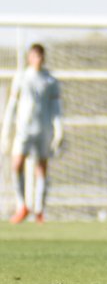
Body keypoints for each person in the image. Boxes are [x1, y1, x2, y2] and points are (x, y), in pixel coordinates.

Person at [1, 44, 64, 224]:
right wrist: (6, 130)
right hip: (23, 130)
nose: (37, 59)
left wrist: (59, 130)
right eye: (34, 55)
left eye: (40, 56)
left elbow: (56, 108)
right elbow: (12, 105)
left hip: (43, 129)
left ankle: (39, 210)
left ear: (43, 58)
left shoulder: (50, 80)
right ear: (29, 57)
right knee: (16, 164)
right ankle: (22, 206)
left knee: (41, 168)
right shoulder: (21, 78)